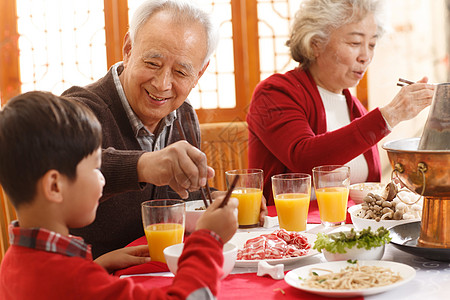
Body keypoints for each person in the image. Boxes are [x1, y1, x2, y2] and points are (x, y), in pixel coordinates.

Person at [61, 0, 266, 258]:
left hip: (160, 271)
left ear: (199, 74)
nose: (162, 84)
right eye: (153, 64)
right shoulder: (78, 109)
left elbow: (177, 195)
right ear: (128, 49)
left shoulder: (184, 115)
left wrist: (217, 198)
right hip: (95, 278)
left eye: (181, 72)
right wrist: (145, 165)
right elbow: (65, 171)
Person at [0, 91, 239, 300]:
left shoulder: (15, 262)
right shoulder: (73, 280)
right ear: (54, 186)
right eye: (95, 167)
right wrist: (209, 239)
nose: (102, 178)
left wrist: (99, 265)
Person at [246, 0, 435, 205]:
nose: (366, 56)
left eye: (371, 45)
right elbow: (304, 159)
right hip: (286, 232)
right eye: (354, 43)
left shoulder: (355, 109)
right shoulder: (274, 93)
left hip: (349, 232)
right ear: (316, 43)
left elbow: (368, 191)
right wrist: (390, 115)